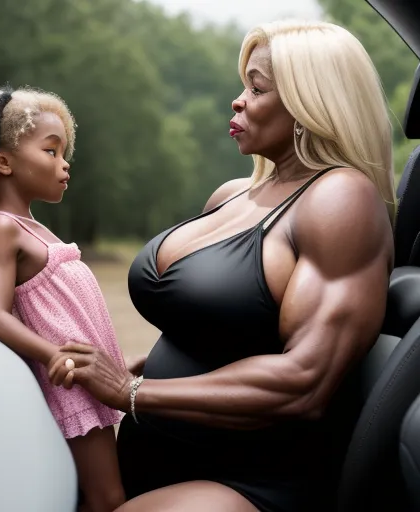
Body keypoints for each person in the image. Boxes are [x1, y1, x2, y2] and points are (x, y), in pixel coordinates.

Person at [51, 19, 396, 512]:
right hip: (154, 456)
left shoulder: (341, 199)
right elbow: (219, 328)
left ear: (309, 105)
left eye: (257, 88)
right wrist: (126, 370)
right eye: (243, 86)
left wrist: (131, 390)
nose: (238, 100)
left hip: (248, 481)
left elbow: (305, 380)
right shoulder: (232, 194)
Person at [0, 86, 126, 512]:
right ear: (4, 162)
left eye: (64, 152)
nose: (64, 163)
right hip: (69, 383)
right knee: (106, 499)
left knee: (99, 493)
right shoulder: (0, 227)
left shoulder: (34, 228)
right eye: (51, 151)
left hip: (89, 379)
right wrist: (55, 355)